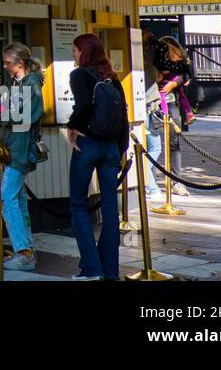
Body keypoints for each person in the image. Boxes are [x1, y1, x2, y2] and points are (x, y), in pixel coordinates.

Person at [67, 32, 129, 281]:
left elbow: (82, 105)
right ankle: (110, 270)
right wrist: (120, 150)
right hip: (112, 147)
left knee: (79, 205)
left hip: (88, 145)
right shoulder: (113, 79)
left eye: (75, 50)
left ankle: (91, 268)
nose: (73, 54)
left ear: (84, 52)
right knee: (111, 210)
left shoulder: (79, 75)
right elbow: (123, 117)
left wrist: (72, 127)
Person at [0, 42, 45, 271]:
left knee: (7, 198)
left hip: (20, 150)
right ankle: (26, 248)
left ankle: (24, 252)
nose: (5, 66)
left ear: (20, 63)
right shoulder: (22, 82)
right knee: (17, 199)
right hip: (17, 149)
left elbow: (25, 116)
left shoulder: (30, 83)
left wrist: (1, 111)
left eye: (8, 63)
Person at [154, 35, 196, 128]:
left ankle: (166, 114)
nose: (172, 54)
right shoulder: (169, 56)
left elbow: (187, 73)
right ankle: (188, 113)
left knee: (164, 94)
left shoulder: (175, 57)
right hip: (172, 79)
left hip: (171, 80)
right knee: (180, 95)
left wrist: (175, 82)